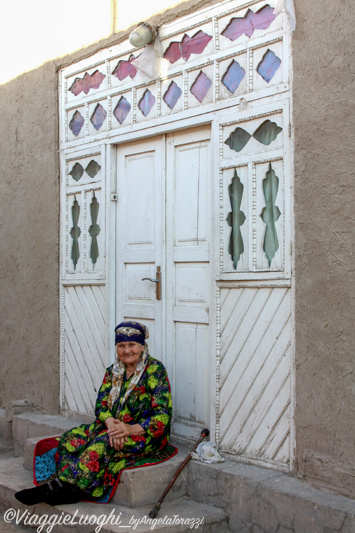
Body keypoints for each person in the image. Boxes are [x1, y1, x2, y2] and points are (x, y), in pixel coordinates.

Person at [15, 321, 172, 505]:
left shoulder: (155, 371)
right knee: (70, 438)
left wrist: (128, 430)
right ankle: (71, 490)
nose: (126, 350)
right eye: (121, 346)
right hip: (113, 428)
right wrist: (111, 424)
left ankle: (59, 486)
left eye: (132, 345)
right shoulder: (113, 372)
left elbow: (162, 417)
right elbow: (101, 405)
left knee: (100, 445)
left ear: (142, 346)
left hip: (145, 434)